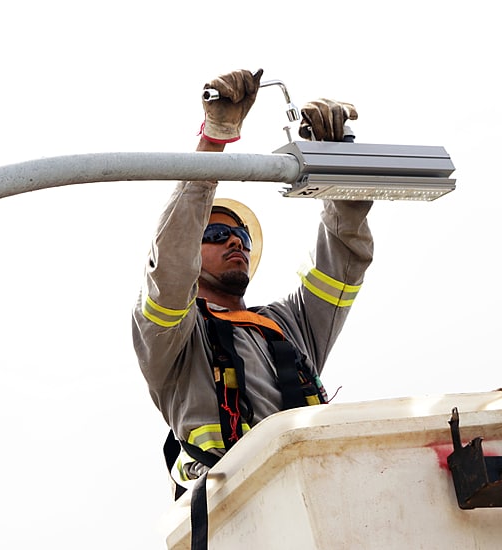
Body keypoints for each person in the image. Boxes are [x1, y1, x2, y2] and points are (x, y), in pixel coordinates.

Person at [131, 68, 374, 495]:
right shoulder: (172, 338)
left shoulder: (287, 324)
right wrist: (214, 139)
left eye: (241, 236)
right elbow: (170, 264)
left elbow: (346, 256)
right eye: (214, 234)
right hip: (236, 513)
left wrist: (336, 163)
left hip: (317, 499)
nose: (234, 242)